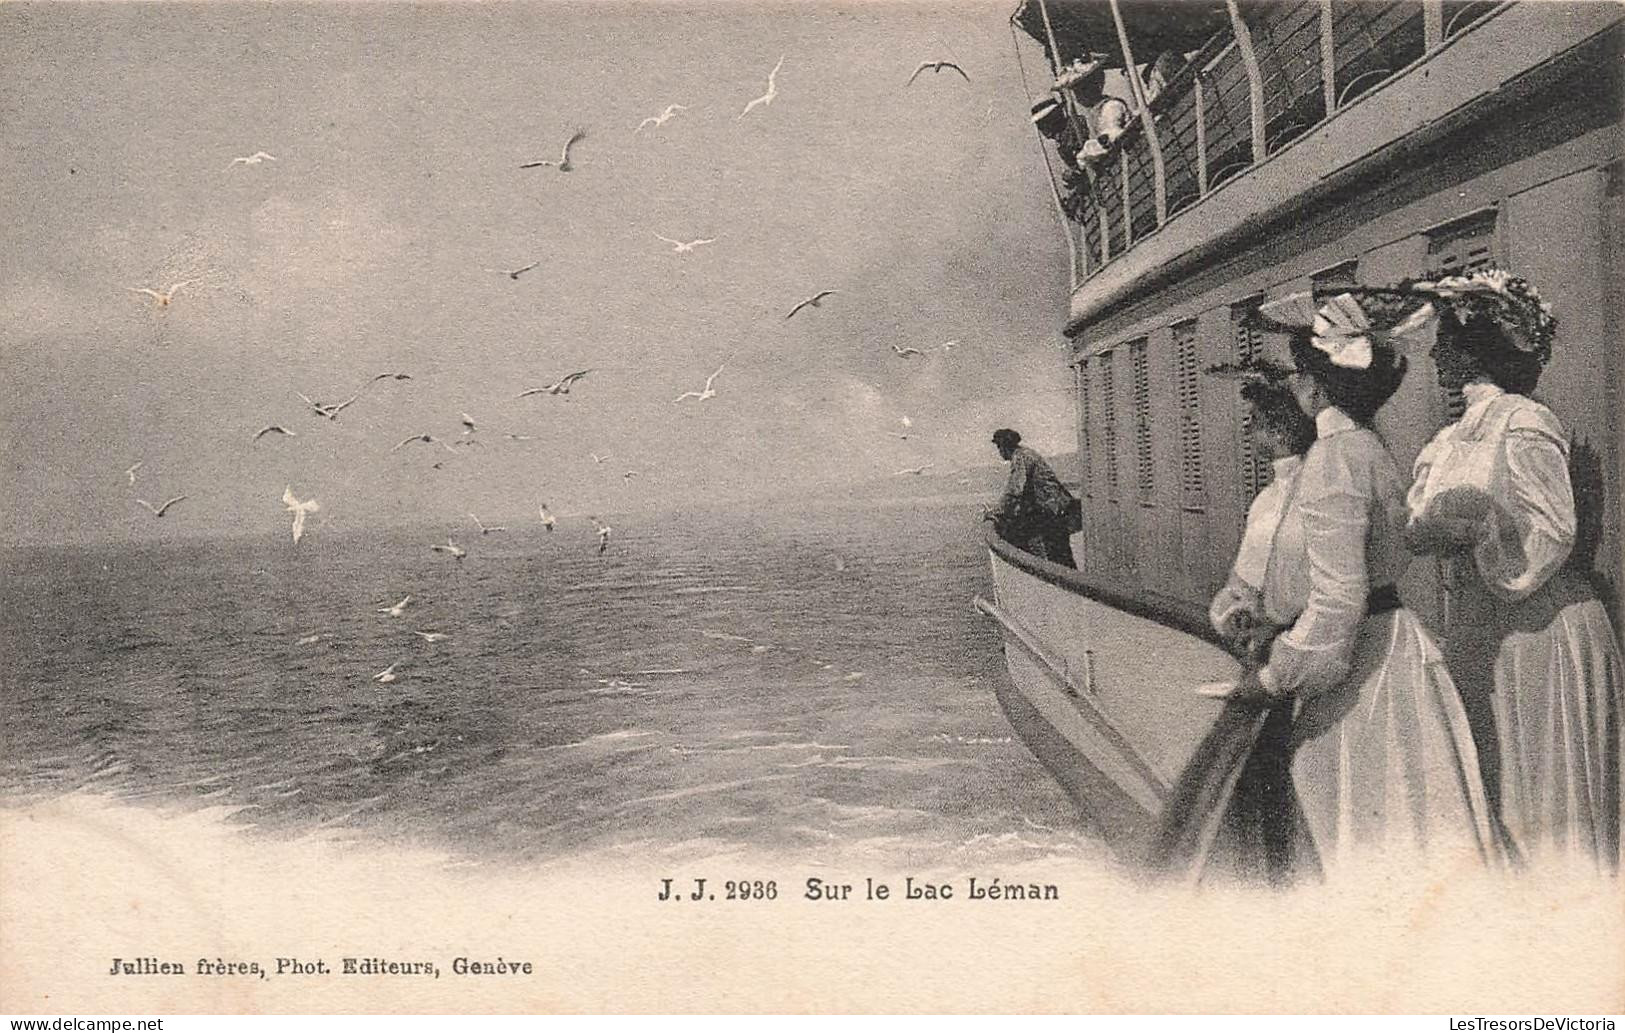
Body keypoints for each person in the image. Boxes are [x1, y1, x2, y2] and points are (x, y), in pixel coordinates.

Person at [1228, 292, 1501, 873]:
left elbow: (1338, 599)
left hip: (1361, 665)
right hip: (1396, 645)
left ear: (1315, 388)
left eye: (1302, 374)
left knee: (1356, 829)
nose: (1297, 387)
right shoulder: (1369, 448)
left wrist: (1275, 676)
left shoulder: (1332, 459)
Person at [1404, 269, 1623, 869]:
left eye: (1445, 343)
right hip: (1480, 625)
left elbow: (1552, 532)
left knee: (1540, 793)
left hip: (1537, 628)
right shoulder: (1448, 439)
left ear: (1475, 351)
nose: (1435, 356)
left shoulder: (1525, 421)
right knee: (1489, 785)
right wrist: (1441, 531)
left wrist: (1480, 532)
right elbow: (1419, 525)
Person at [984, 428, 1079, 569]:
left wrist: (996, 512)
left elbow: (1014, 491)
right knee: (1059, 553)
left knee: (1059, 555)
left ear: (1004, 447)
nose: (999, 451)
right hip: (1056, 508)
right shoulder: (1025, 454)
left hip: (1054, 510)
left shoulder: (1020, 458)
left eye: (999, 447)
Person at [1056, 59, 1130, 166]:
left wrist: (1087, 153)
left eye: (1084, 88)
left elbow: (1112, 136)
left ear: (1096, 85)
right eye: (1076, 91)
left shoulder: (1111, 107)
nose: (1080, 95)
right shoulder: (1093, 114)